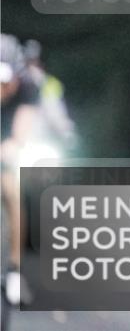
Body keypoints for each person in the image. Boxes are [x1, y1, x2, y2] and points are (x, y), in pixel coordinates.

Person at [0, 34, 40, 306]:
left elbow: (22, 130)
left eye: (5, 82)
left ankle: (13, 269)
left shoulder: (28, 86)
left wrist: (13, 146)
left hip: (6, 136)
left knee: (11, 187)